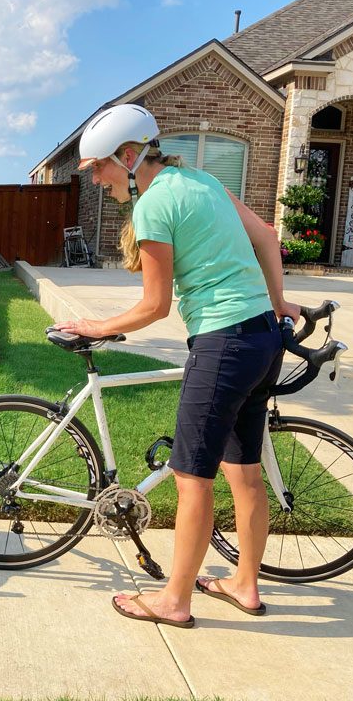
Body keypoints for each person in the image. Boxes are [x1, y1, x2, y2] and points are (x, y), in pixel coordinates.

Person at [54, 104, 301, 628]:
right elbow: (267, 237)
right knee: (246, 473)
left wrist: (95, 326)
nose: (97, 180)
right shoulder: (203, 181)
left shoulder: (154, 205)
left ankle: (174, 599)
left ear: (128, 156)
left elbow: (154, 305)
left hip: (223, 345)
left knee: (193, 479)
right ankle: (245, 584)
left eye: (99, 167)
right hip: (261, 338)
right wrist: (277, 302)